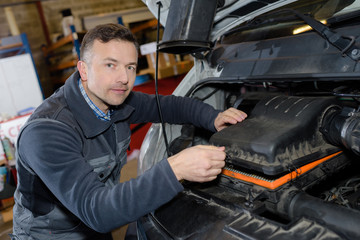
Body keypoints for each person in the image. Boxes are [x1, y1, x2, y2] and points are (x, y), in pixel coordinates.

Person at [11, 23, 247, 239]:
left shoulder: (116, 101)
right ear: (83, 70)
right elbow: (97, 211)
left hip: (97, 226)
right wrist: (176, 168)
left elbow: (170, 106)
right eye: (110, 65)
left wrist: (213, 116)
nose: (124, 78)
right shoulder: (47, 132)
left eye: (130, 67)